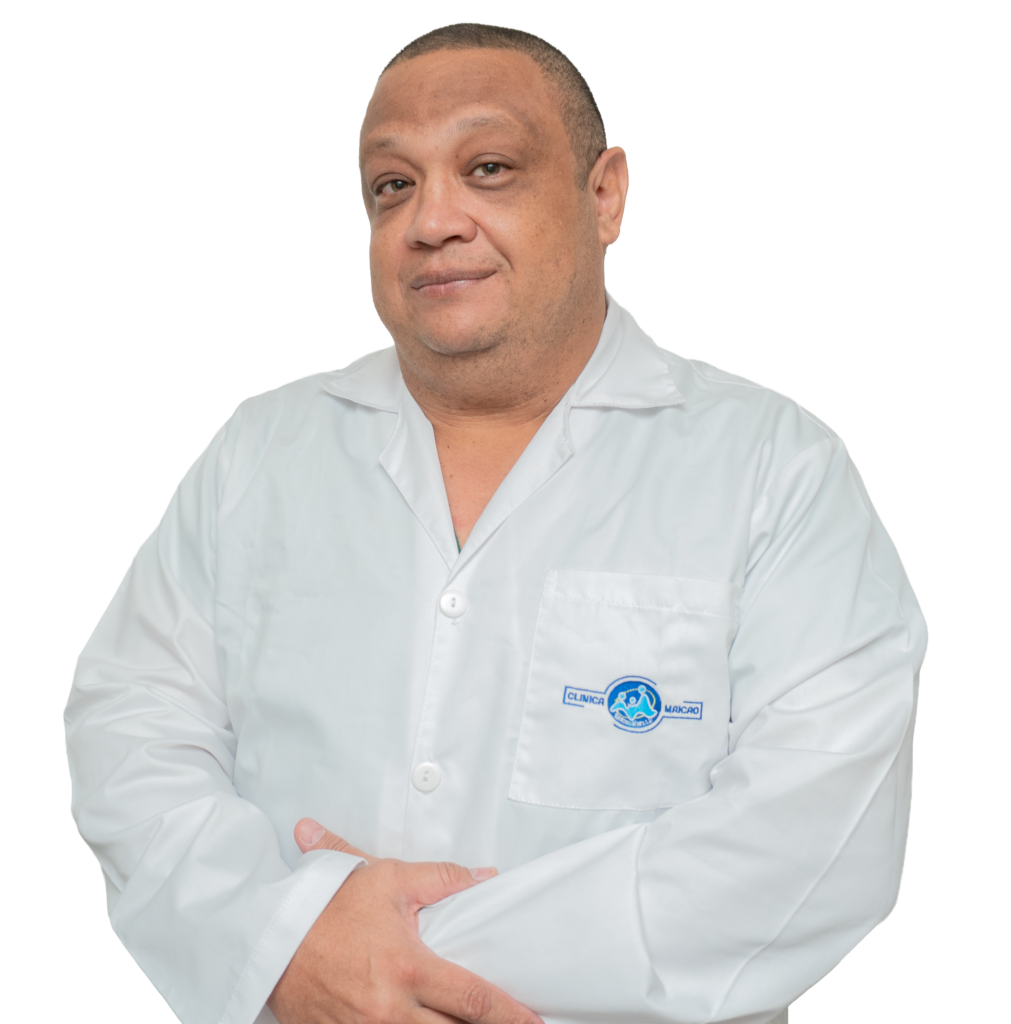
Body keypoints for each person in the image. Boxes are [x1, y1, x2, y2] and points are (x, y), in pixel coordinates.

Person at [64, 22, 927, 1024]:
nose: (432, 220)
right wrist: (285, 944)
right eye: (393, 185)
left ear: (604, 195)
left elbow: (814, 839)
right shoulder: (260, 450)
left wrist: (313, 947)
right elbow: (131, 728)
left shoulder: (776, 468)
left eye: (488, 168)